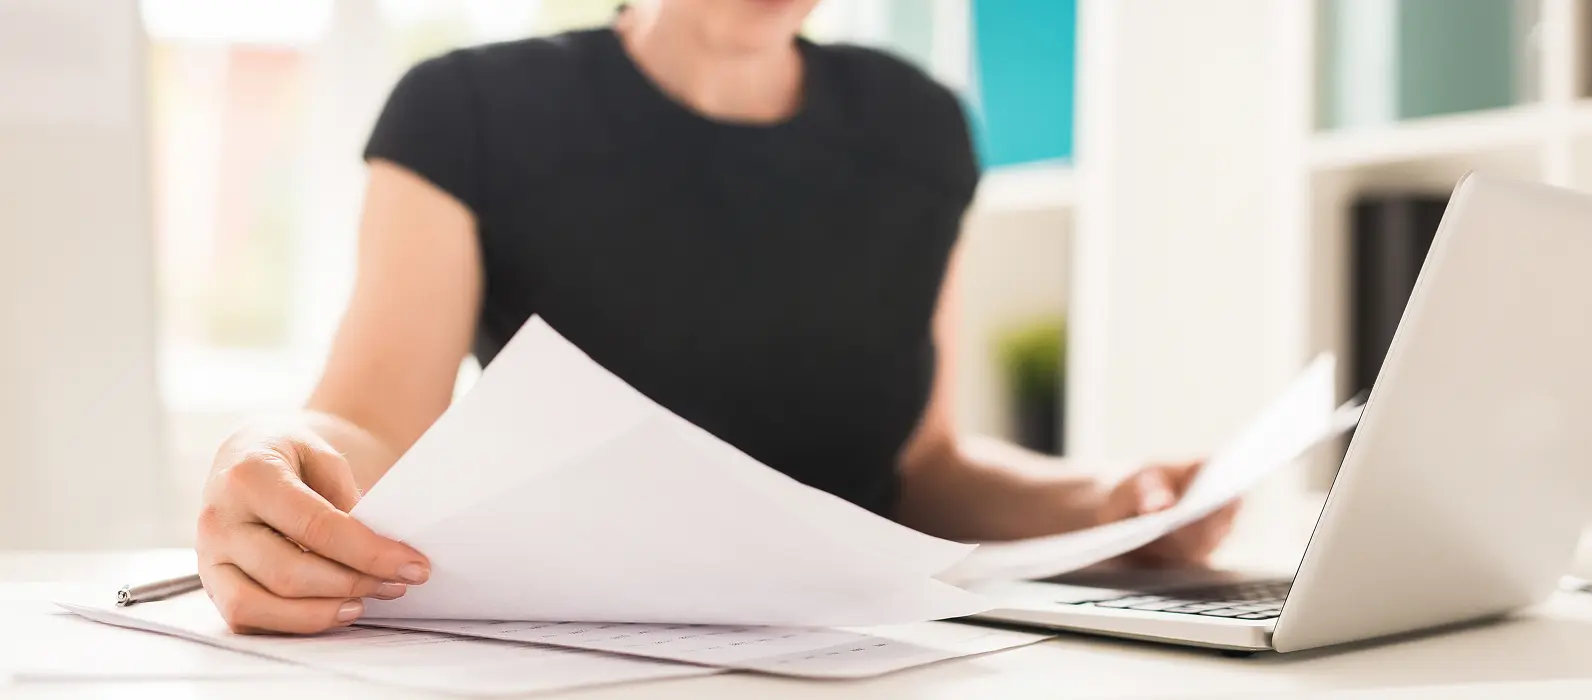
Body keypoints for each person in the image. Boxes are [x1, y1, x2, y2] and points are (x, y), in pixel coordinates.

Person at [196, 0, 1237, 634]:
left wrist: (1106, 498)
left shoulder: (917, 127)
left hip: (878, 660)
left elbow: (927, 465)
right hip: (579, 662)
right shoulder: (465, 110)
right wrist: (271, 452)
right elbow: (373, 421)